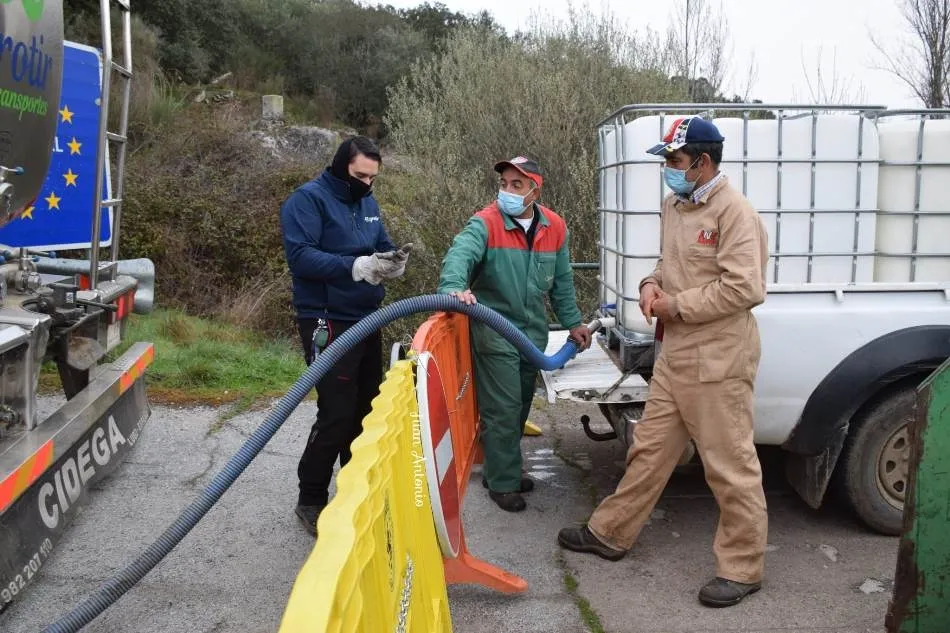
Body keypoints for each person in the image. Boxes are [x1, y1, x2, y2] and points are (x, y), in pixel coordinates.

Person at [557, 116, 770, 608]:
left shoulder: (735, 213)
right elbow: (667, 265)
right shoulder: (675, 205)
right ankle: (610, 533)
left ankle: (742, 568)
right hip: (675, 356)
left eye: (674, 160)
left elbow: (745, 288)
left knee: (729, 466)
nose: (668, 169)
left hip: (718, 359)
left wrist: (674, 305)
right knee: (649, 450)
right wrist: (650, 285)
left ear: (703, 161)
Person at [438, 156, 592, 512]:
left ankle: (498, 469)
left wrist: (574, 323)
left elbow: (562, 283)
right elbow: (459, 255)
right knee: (503, 407)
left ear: (534, 190)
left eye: (516, 185)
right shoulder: (486, 223)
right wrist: (453, 287)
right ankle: (503, 483)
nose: (507, 191)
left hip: (532, 333)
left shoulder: (554, 226)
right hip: (494, 328)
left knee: (521, 403)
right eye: (504, 184)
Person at [280, 136, 411, 535]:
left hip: (366, 316)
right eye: (359, 176)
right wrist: (356, 267)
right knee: (336, 411)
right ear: (341, 166)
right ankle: (312, 498)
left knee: (367, 407)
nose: (366, 184)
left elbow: (381, 245)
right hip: (325, 318)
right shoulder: (308, 200)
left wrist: (391, 262)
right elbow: (300, 256)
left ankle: (354, 489)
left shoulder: (367, 201)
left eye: (372, 178)